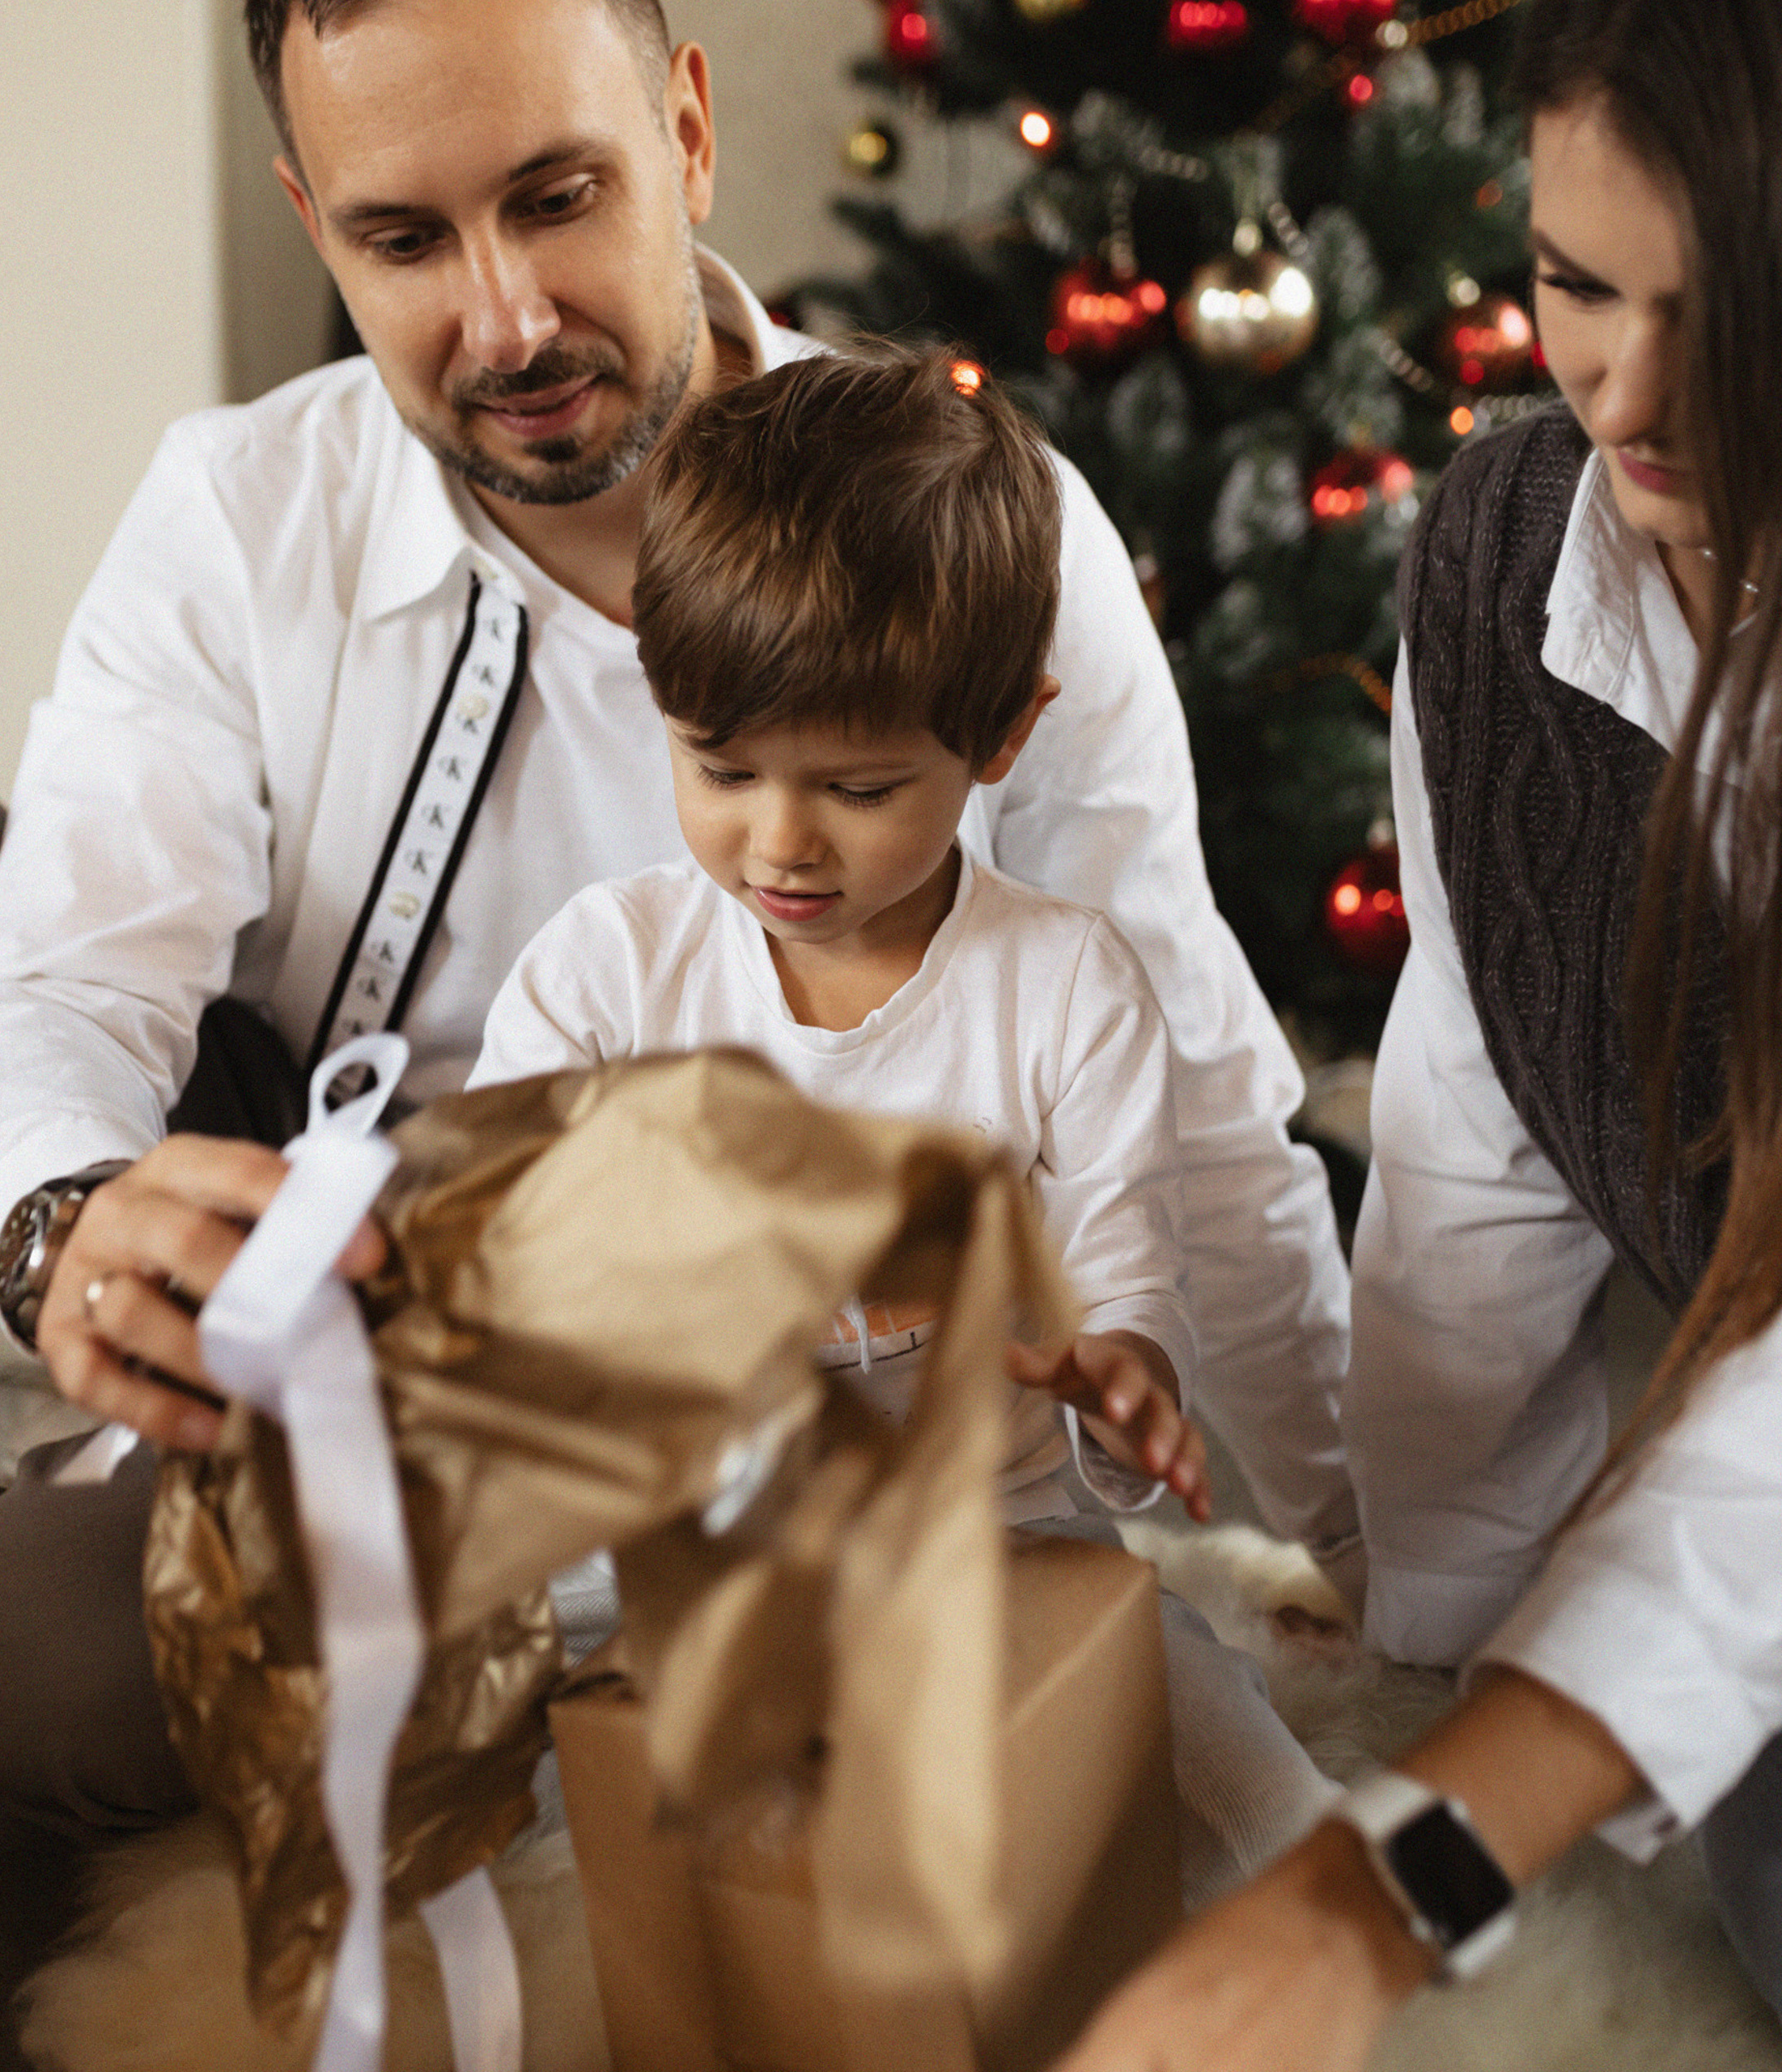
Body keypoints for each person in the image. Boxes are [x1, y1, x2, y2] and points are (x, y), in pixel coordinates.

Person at [0, 0, 1344, 1830]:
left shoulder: (980, 535)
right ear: (313, 218)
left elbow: (1193, 1093)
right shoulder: (243, 508)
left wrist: (1355, 1548)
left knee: (46, 1663)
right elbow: (61, 979)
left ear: (686, 135)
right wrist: (68, 1228)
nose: (503, 323)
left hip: (668, 1371)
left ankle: (66, 1462)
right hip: (304, 1185)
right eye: (402, 239)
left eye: (557, 198)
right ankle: (89, 1380)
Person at [1059, 0, 1782, 2064]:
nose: (1619, 388)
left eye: (1715, 317)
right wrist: (1424, 1647)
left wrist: (1376, 1892)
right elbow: (1474, 1103)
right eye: (1573, 285)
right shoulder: (1501, 546)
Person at [471, 345, 1347, 1902]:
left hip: (993, 1537)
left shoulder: (1065, 986)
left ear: (1000, 736)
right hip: (691, 1550)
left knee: (1215, 1745)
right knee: (544, 1769)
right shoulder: (605, 979)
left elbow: (1127, 1260)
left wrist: (1128, 1376)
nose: (780, 844)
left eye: (860, 790)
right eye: (720, 768)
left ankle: (1333, 1896)